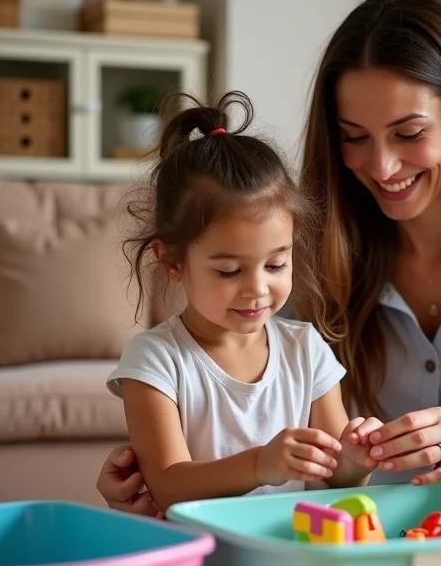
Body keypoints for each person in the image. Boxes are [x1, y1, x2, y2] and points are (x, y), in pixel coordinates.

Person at [97, 0, 441, 517]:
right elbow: (249, 380)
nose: (384, 167)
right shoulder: (317, 248)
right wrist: (153, 474)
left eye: (409, 132)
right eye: (355, 137)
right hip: (403, 529)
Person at [103, 90, 382, 513]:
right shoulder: (156, 360)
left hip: (290, 553)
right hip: (199, 562)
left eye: (276, 265)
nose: (257, 289)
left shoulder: (306, 350)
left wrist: (356, 460)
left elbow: (335, 478)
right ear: (172, 261)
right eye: (229, 271)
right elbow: (167, 484)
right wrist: (259, 464)